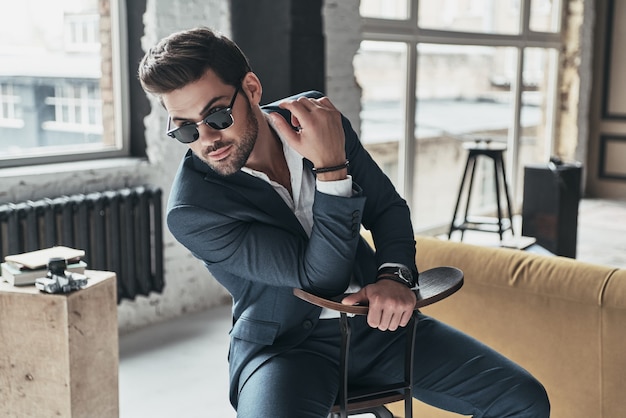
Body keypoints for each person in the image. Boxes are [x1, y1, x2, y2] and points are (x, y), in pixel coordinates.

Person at [138, 27, 550, 418]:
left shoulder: (316, 118)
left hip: (380, 328)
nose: (207, 139)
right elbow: (319, 278)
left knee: (523, 401)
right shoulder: (194, 209)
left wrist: (394, 276)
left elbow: (387, 208)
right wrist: (332, 169)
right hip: (286, 349)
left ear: (251, 88)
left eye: (217, 117)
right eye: (186, 129)